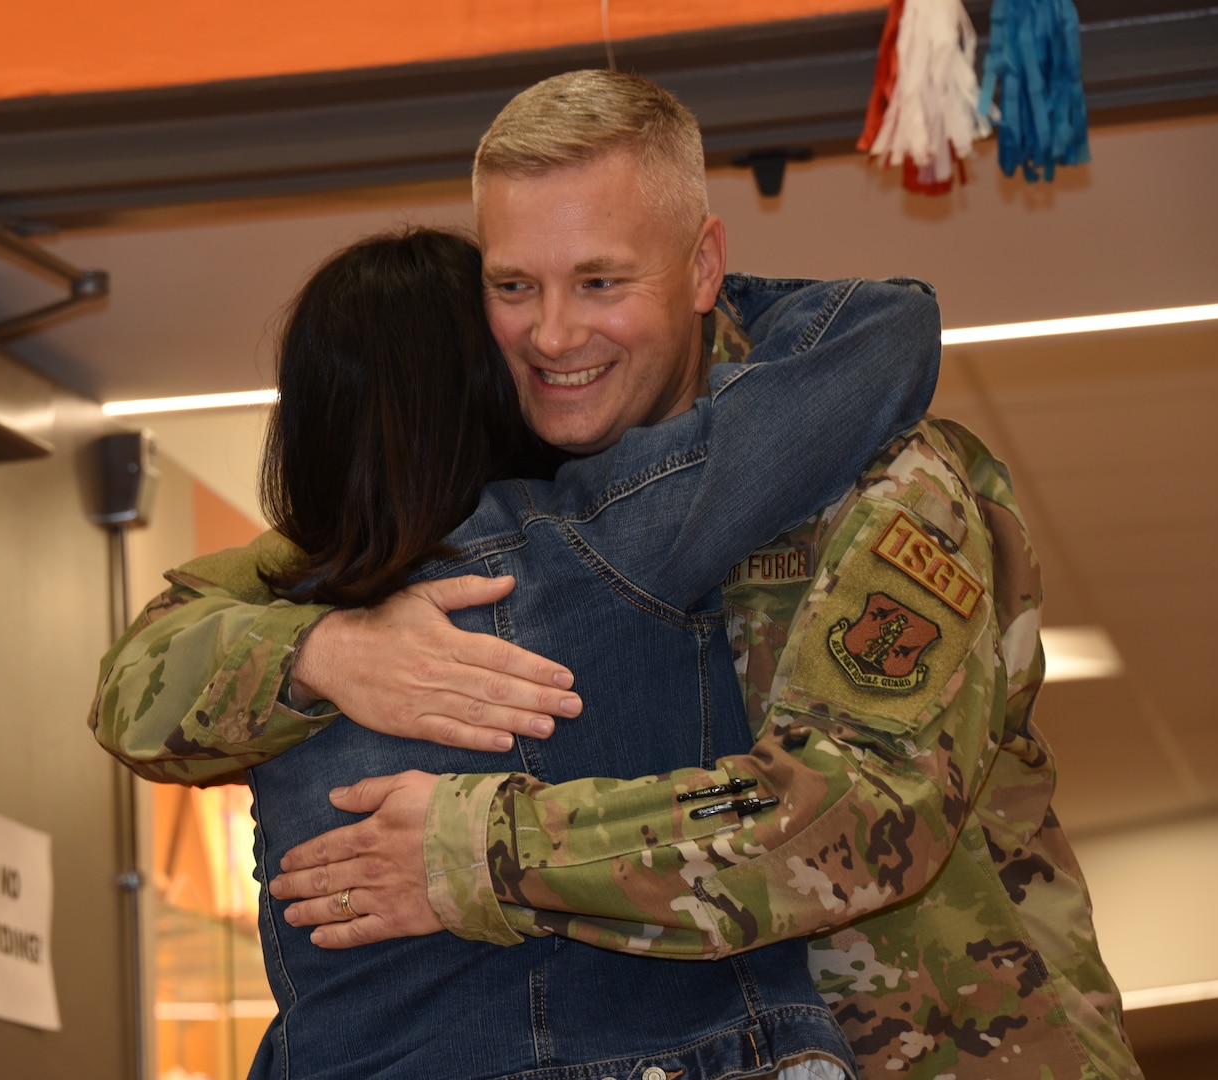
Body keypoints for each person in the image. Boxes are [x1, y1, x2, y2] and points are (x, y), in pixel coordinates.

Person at [92, 72, 1139, 1079]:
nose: (552, 335)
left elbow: (862, 813)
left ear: (698, 267)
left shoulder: (880, 479)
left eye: (600, 281)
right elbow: (145, 668)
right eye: (514, 287)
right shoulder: (507, 505)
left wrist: (481, 852)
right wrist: (320, 651)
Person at [98, 228, 941, 1078]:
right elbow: (886, 333)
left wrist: (315, 650)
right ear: (500, 385)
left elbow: (124, 689)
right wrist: (680, 291)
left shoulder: (255, 630)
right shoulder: (623, 534)